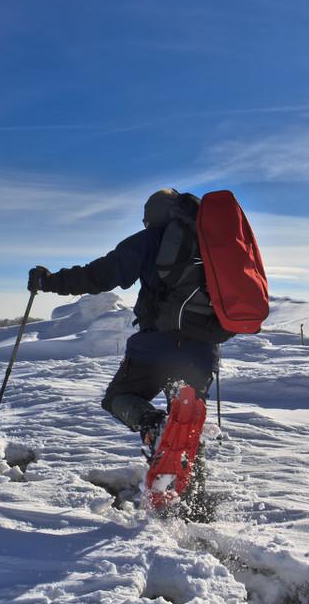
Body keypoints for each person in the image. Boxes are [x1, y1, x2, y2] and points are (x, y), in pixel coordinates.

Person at [28, 189, 219, 456]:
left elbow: (99, 275)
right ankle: (192, 494)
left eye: (145, 221)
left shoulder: (149, 240)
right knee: (185, 427)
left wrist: (49, 281)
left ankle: (154, 427)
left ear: (154, 217)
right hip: (202, 352)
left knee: (118, 398)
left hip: (156, 347)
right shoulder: (212, 243)